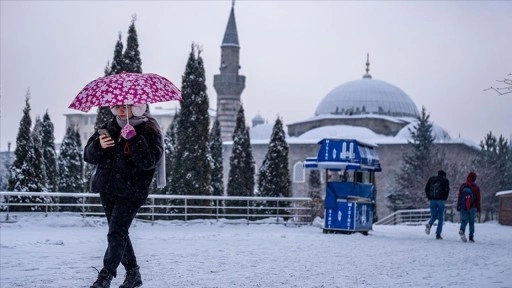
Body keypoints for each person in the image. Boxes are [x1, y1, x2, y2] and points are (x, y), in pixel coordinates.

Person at [85, 104, 163, 288]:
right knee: (119, 233)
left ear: (136, 108)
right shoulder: (109, 126)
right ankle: (133, 273)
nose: (120, 111)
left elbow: (149, 162)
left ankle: (105, 276)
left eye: (126, 107)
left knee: (116, 232)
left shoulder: (149, 129)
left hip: (132, 191)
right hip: (108, 189)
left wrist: (134, 139)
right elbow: (88, 156)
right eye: (117, 106)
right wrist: (98, 145)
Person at [424, 170, 450, 239]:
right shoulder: (445, 180)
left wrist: (429, 197)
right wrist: (444, 198)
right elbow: (447, 190)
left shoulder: (431, 179)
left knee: (434, 216)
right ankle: (438, 234)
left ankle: (429, 224)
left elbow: (426, 188)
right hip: (441, 200)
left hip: (432, 200)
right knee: (440, 218)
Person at [457, 171, 481, 243]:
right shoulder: (476, 187)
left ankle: (462, 230)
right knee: (471, 222)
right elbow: (478, 199)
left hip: (463, 206)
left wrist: (458, 205)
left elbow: (460, 196)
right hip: (472, 207)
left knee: (464, 221)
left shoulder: (463, 186)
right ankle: (471, 237)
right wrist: (478, 208)